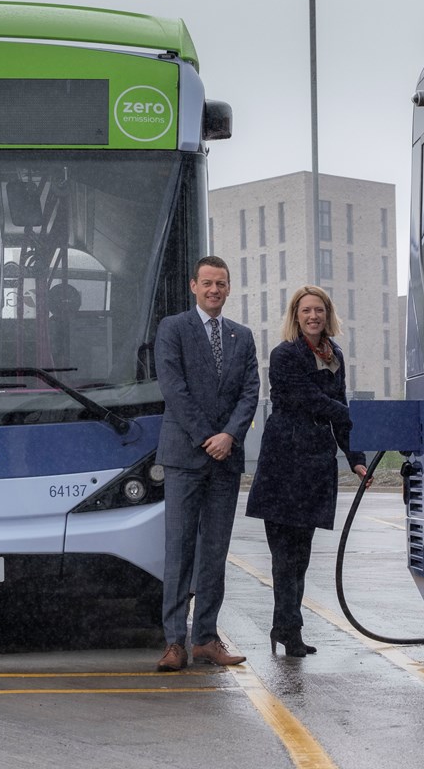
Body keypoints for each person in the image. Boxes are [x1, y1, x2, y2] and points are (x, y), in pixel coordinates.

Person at [245, 285, 370, 657]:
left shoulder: (334, 356)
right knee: (284, 555)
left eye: (319, 310)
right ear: (295, 317)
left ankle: (284, 626)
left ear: (327, 315)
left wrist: (355, 455)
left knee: (301, 555)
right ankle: (289, 629)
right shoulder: (284, 355)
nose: (313, 316)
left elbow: (339, 402)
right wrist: (342, 412)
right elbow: (306, 398)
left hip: (316, 462)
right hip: (284, 463)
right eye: (306, 311)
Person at [153, 256, 260, 671]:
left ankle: (207, 639)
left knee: (215, 552)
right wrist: (206, 437)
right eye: (208, 283)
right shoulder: (173, 329)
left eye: (222, 283)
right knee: (179, 550)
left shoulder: (242, 336)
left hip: (225, 460)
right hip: (184, 456)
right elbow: (173, 389)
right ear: (193, 286)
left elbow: (250, 392)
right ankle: (175, 644)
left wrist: (229, 436)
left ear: (229, 289)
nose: (215, 290)